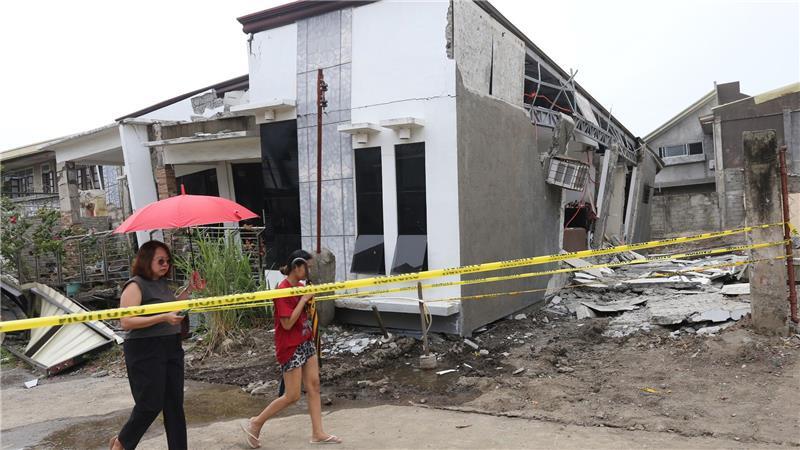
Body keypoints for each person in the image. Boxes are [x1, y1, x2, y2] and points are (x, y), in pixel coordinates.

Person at [240, 250, 341, 448]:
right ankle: (256, 422)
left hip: (305, 341)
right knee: (292, 395)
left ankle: (318, 433)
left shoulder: (301, 286)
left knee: (314, 385)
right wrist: (303, 300)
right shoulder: (283, 289)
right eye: (308, 267)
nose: (310, 272)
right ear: (297, 267)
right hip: (290, 346)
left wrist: (308, 299)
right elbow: (287, 324)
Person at [110, 240, 204, 450]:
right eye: (160, 261)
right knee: (150, 404)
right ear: (146, 260)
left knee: (174, 406)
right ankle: (122, 443)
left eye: (168, 261)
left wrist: (190, 288)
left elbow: (173, 308)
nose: (165, 265)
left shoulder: (162, 284)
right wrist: (162, 318)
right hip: (145, 349)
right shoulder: (135, 285)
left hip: (171, 346)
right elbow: (126, 322)